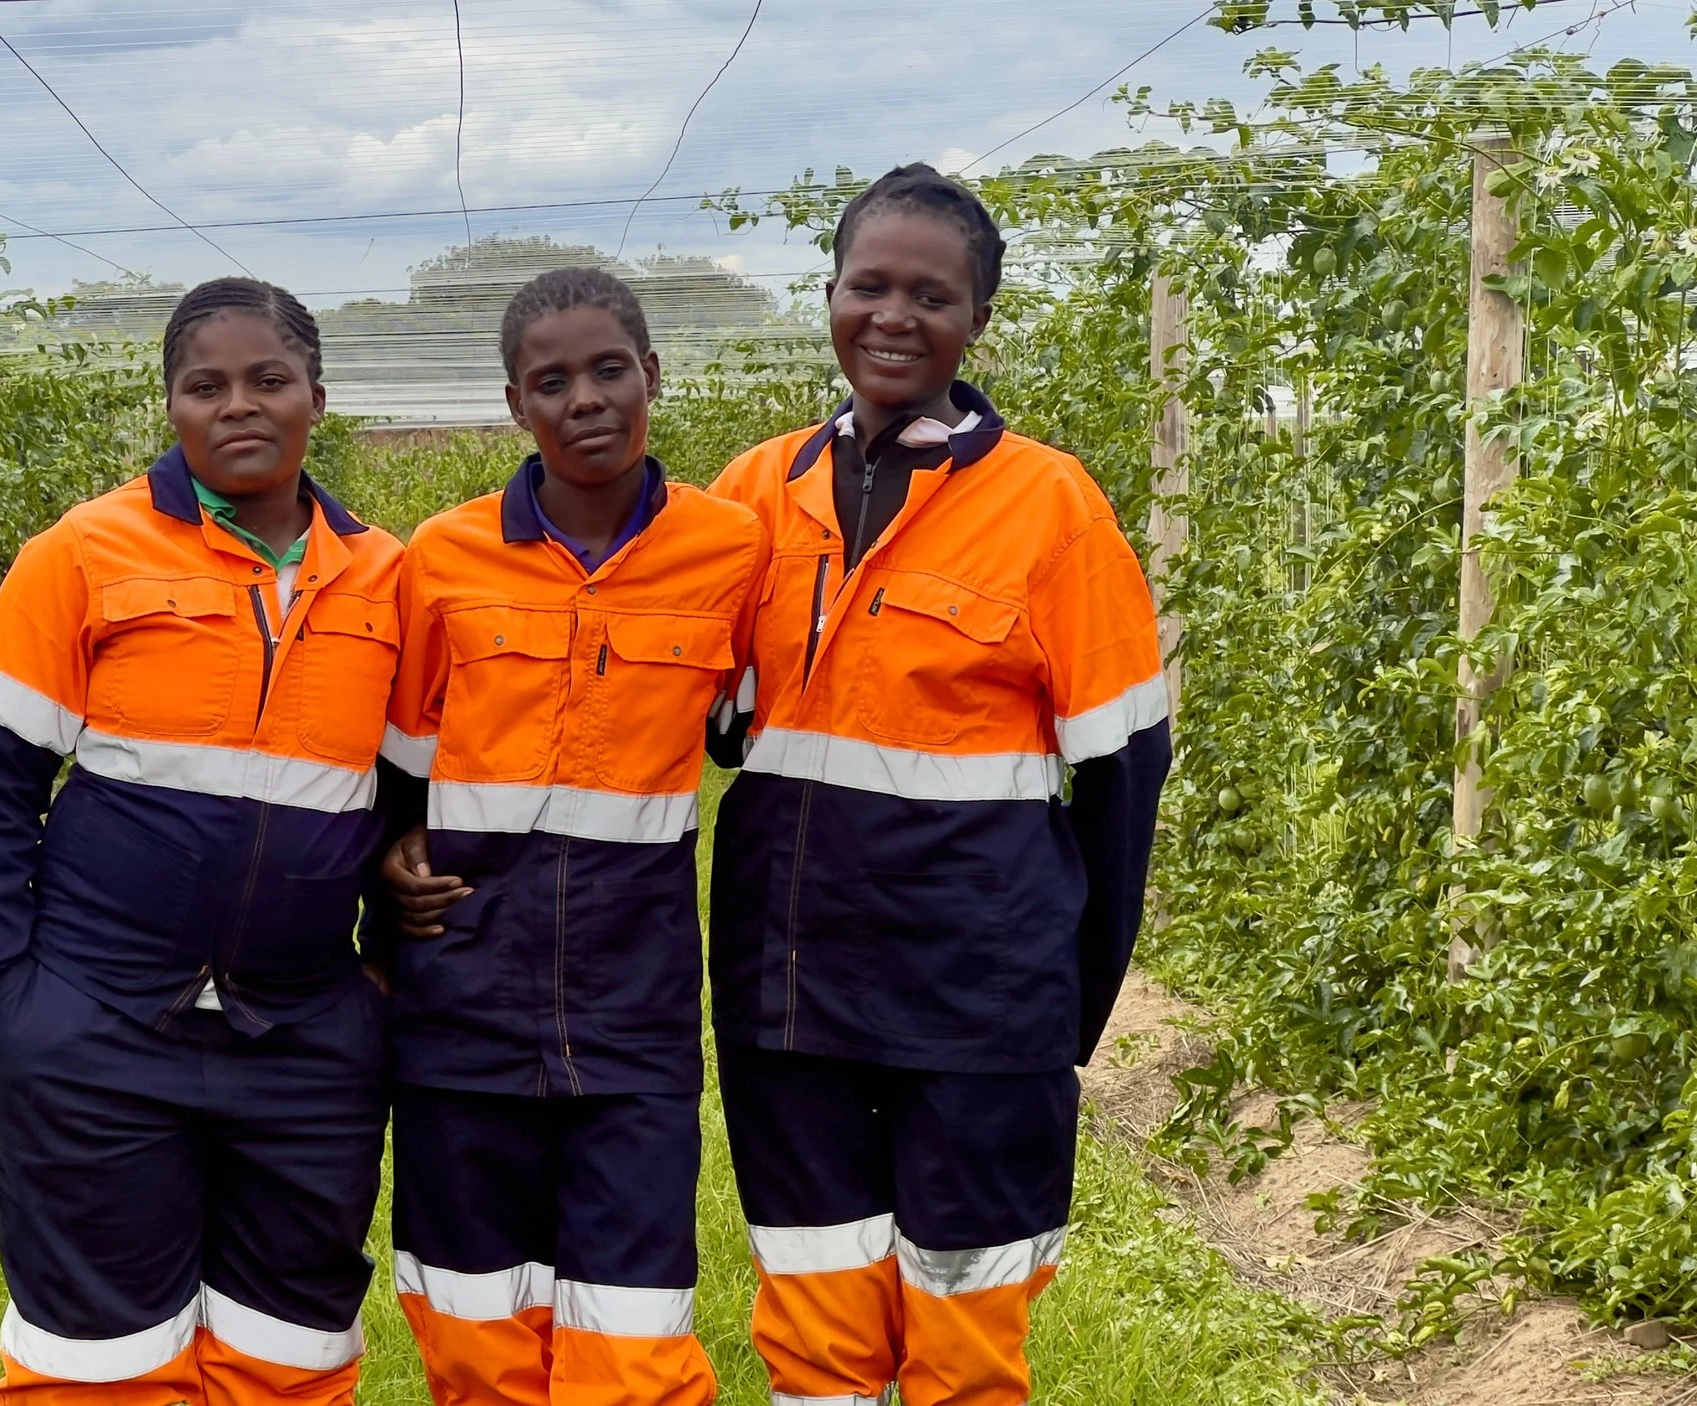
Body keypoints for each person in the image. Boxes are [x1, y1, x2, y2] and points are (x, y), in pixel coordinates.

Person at [704, 164, 1172, 1406]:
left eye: (932, 295)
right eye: (869, 285)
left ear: (978, 320)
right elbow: (693, 712)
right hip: (788, 991)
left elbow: (1123, 771)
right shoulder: (753, 495)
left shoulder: (1050, 506)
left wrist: (1068, 997)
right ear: (828, 294)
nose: (894, 316)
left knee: (964, 1328)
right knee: (815, 1316)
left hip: (980, 994)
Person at [0, 278, 404, 1406]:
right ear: (172, 406)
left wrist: (381, 982)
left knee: (290, 1356)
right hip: (92, 1027)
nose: (238, 405)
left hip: (303, 1039)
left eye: (268, 379)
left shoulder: (389, 579)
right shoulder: (83, 553)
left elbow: (415, 797)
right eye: (205, 385)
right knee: (100, 1363)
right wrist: (7, 998)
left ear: (317, 396)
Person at [377, 267, 763, 1406]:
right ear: (516, 404)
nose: (585, 398)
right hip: (459, 998)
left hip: (633, 1009)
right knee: (472, 1321)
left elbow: (752, 726)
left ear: (653, 375)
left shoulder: (733, 552)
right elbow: (396, 770)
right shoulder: (441, 557)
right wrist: (383, 873)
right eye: (551, 382)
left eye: (609, 370)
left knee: (632, 1335)